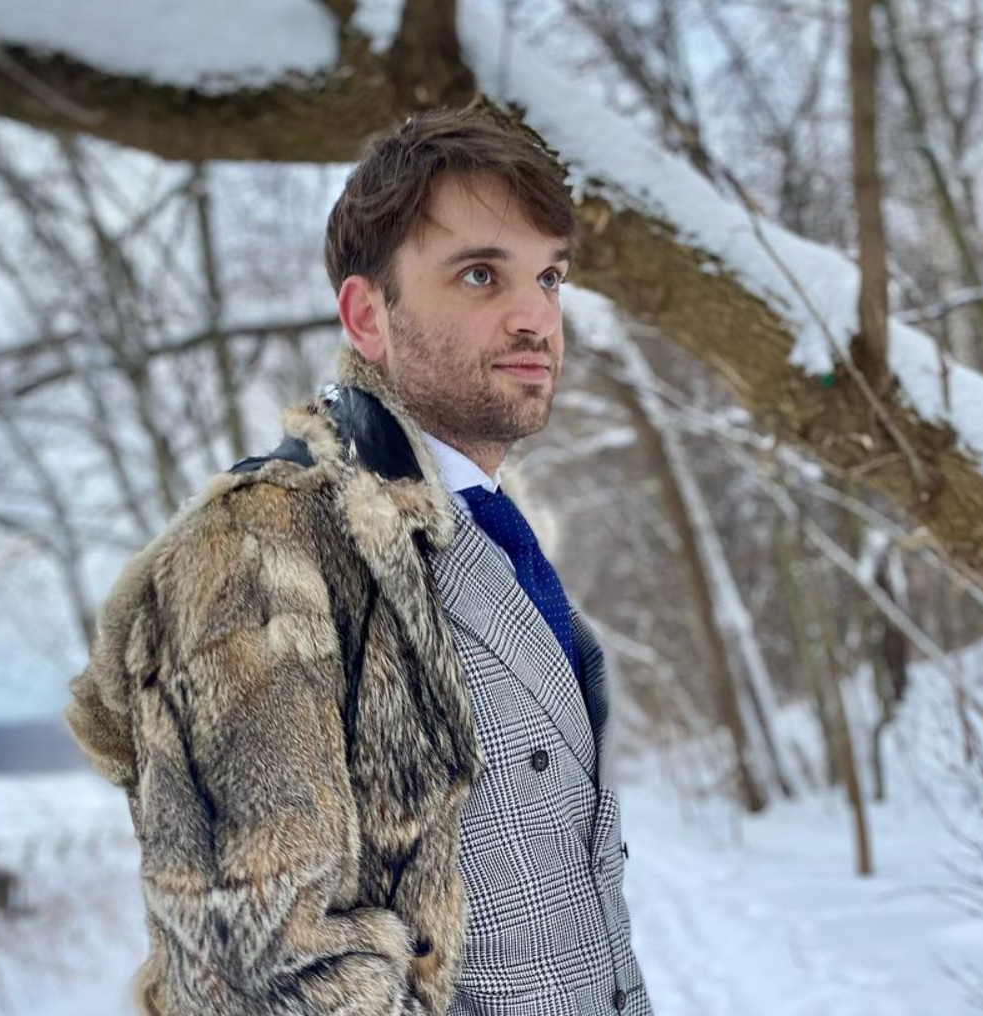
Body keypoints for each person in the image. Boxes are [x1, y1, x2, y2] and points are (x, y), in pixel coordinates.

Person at [66, 104, 653, 1016]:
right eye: (481, 274)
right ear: (367, 315)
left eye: (549, 276)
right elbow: (260, 983)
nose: (536, 316)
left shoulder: (488, 527)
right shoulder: (259, 553)